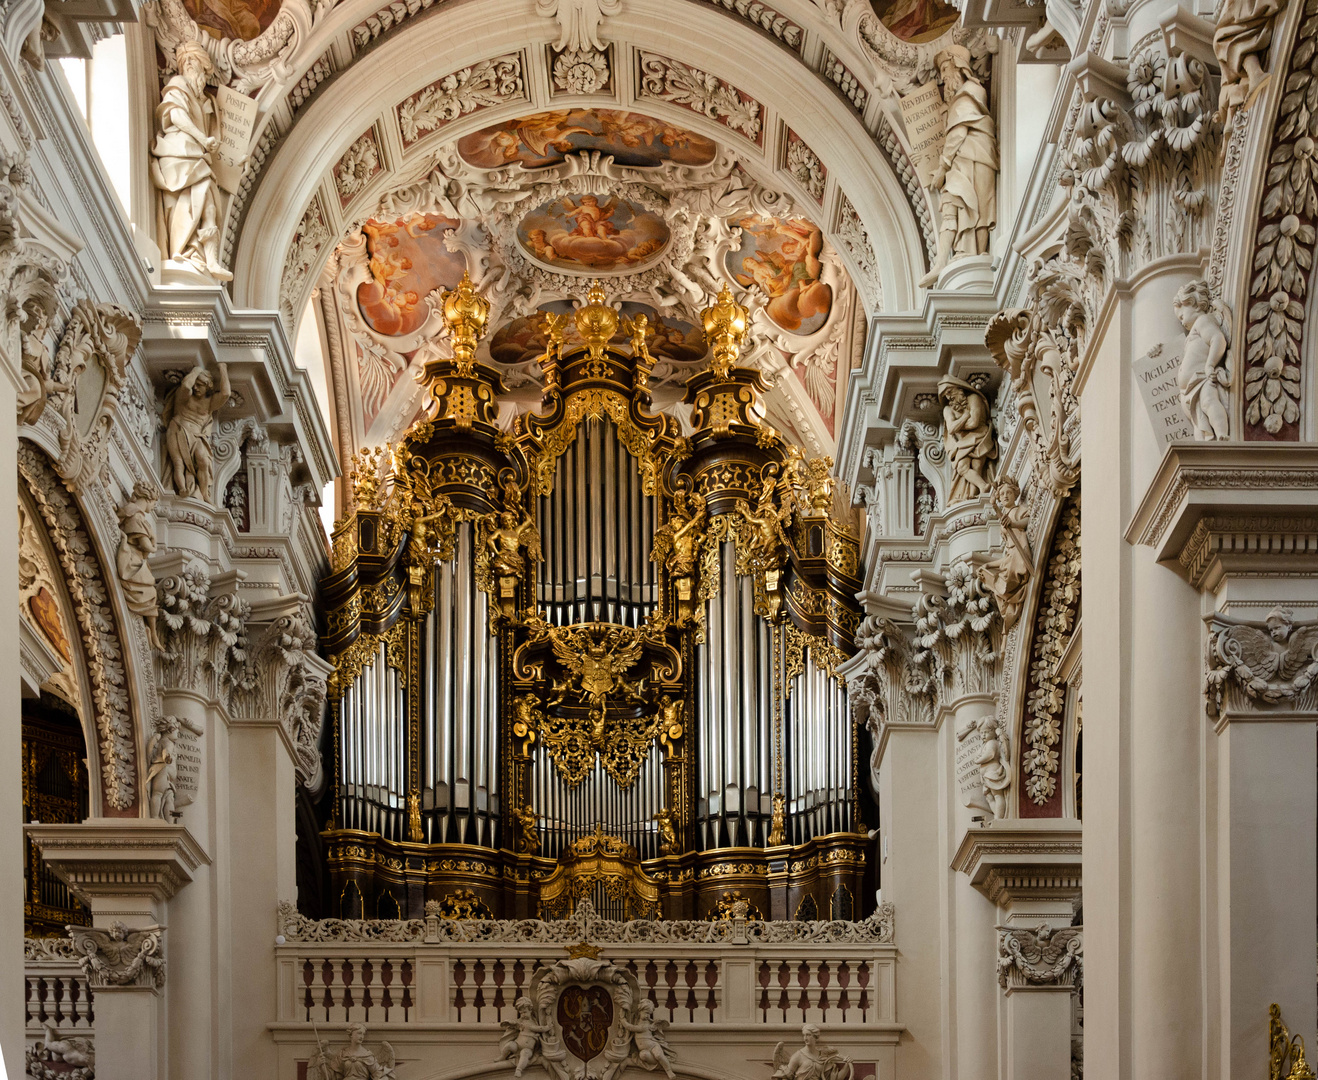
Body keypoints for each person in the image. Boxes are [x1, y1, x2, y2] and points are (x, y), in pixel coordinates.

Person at [149, 41, 232, 281]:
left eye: (196, 65)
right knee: (196, 201)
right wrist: (201, 139)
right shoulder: (178, 85)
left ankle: (210, 260)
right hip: (179, 151)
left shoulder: (204, 99)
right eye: (188, 64)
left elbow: (216, 138)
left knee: (208, 202)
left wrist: (236, 162)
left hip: (196, 154)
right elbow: (176, 115)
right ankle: (189, 251)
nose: (201, 76)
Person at [919, 45, 998, 287]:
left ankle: (967, 254)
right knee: (952, 203)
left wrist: (942, 167)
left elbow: (959, 131)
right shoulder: (959, 98)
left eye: (945, 68)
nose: (943, 76)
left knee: (977, 209)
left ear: (959, 67)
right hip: (965, 158)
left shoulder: (970, 91)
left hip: (975, 155)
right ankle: (943, 262)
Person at [1173, 280, 1231, 441]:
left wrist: (1210, 365)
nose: (1182, 322)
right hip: (1189, 388)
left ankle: (1221, 433)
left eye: (1182, 316)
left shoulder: (1203, 321)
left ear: (1193, 303)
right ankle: (1204, 447)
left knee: (1209, 402)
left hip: (1202, 378)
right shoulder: (1191, 334)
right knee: (1198, 422)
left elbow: (1217, 339)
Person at [938, 375, 996, 502]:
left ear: (959, 388)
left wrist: (959, 424)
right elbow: (952, 428)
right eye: (945, 395)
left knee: (977, 466)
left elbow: (974, 423)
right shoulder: (948, 409)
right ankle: (983, 485)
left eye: (949, 391)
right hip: (963, 442)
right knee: (962, 467)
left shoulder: (973, 398)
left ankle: (972, 496)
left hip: (980, 435)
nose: (949, 397)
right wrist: (965, 416)